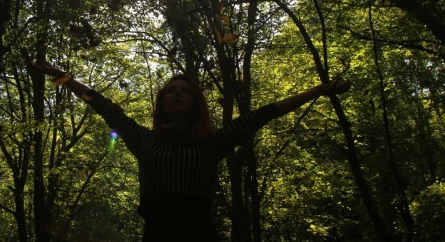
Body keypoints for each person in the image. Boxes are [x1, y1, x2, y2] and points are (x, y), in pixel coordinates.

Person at [34, 62, 350, 241]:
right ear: (161, 102)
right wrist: (64, 79)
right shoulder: (144, 139)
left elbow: (265, 113)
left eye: (185, 91)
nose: (177, 93)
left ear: (196, 103)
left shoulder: (211, 142)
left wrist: (319, 91)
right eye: (171, 90)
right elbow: (103, 105)